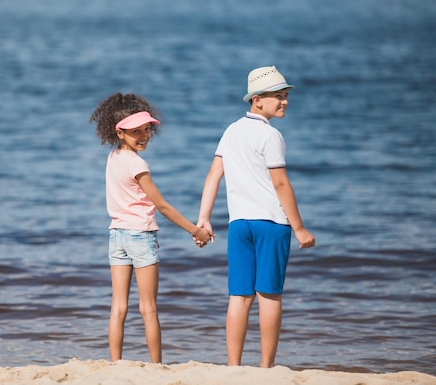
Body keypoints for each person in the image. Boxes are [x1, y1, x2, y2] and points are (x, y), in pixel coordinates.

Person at [196, 66, 315, 368]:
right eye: (278, 96)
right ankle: (266, 367)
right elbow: (280, 183)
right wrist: (299, 228)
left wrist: (204, 218)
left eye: (286, 96)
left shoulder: (231, 130)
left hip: (239, 224)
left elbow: (213, 175)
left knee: (239, 296)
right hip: (271, 224)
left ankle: (233, 367)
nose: (284, 101)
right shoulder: (271, 135)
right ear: (257, 100)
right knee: (269, 295)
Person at [90, 93, 213, 364]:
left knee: (118, 306)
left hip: (116, 235)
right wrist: (196, 230)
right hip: (141, 236)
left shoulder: (113, 157)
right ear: (120, 132)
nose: (144, 135)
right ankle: (156, 366)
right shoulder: (137, 164)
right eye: (136, 131)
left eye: (147, 128)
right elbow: (162, 206)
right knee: (148, 308)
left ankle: (115, 364)